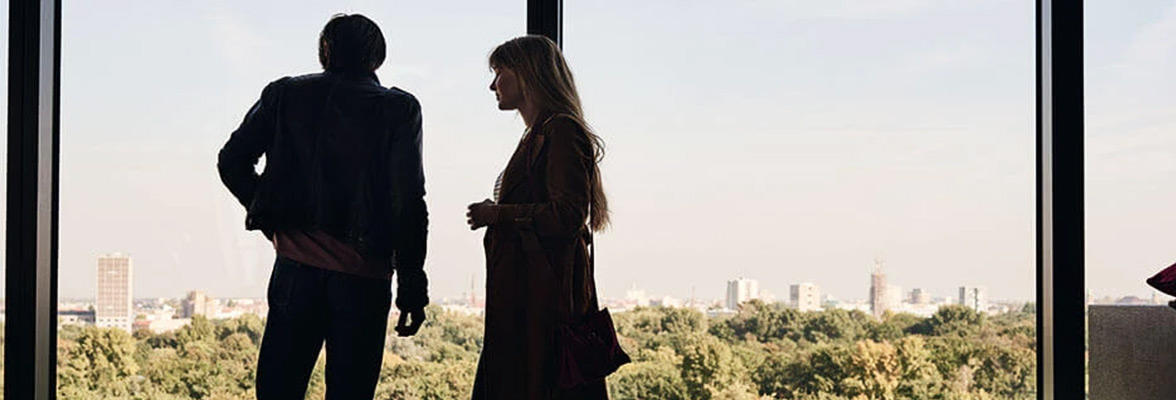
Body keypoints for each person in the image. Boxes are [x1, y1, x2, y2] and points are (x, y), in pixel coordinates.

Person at [216, 13, 429, 400]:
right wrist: (412, 285)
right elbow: (409, 202)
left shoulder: (284, 95)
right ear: (377, 58)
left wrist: (275, 221)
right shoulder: (398, 109)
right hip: (364, 278)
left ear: (325, 52)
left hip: (294, 270)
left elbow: (232, 161)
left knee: (278, 390)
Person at [466, 35, 611, 400]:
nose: (492, 84)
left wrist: (496, 214)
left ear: (526, 75)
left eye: (499, 72)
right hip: (533, 295)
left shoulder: (558, 130)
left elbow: (567, 215)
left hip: (541, 302)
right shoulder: (543, 133)